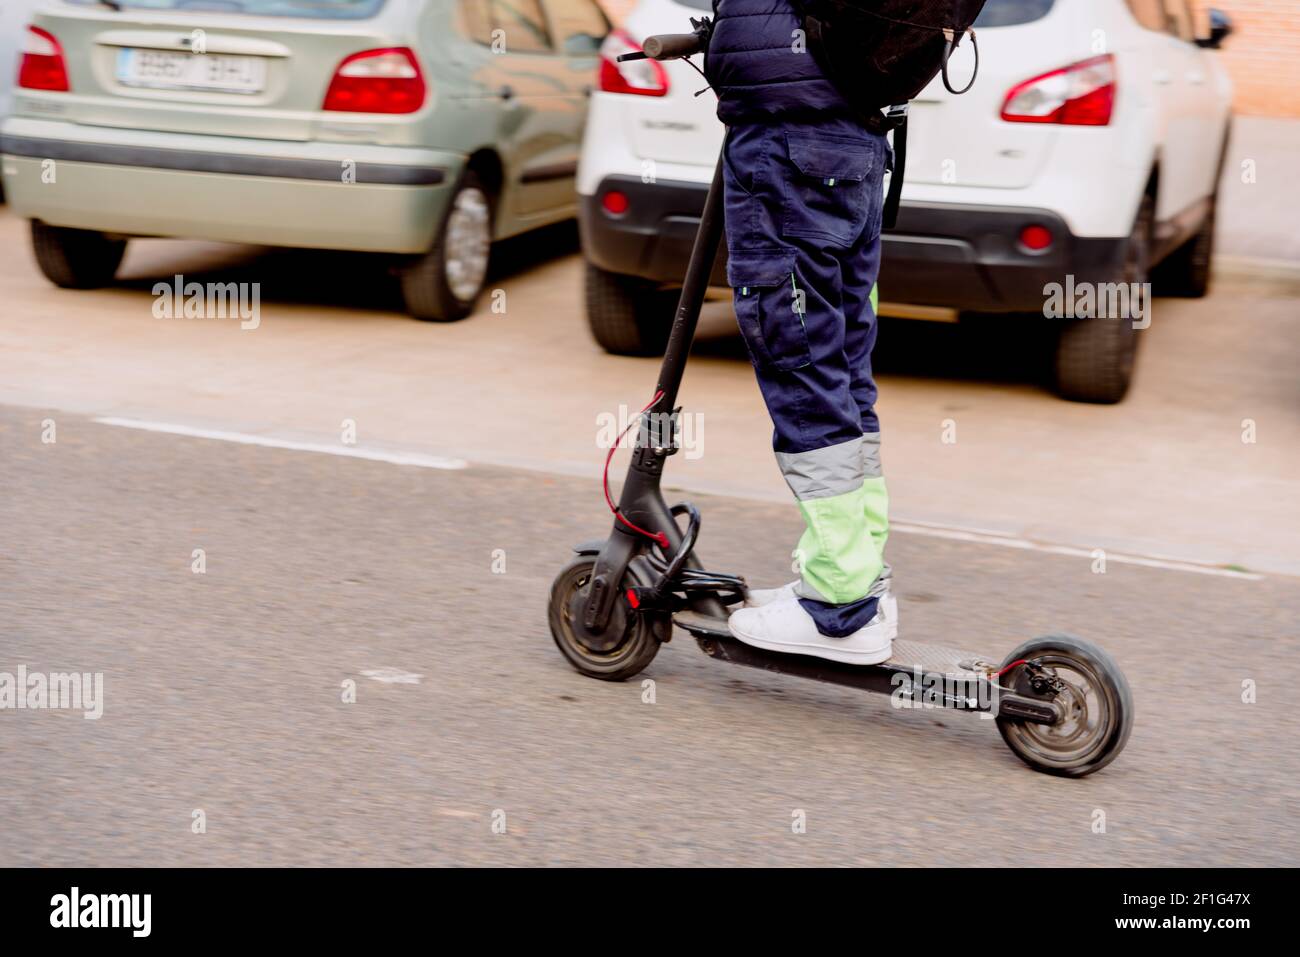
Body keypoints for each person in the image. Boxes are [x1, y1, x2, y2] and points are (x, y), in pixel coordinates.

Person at [706, 0, 897, 665]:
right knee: (841, 368)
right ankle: (861, 573)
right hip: (851, 143)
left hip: (787, 147)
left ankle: (840, 607)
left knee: (803, 367)